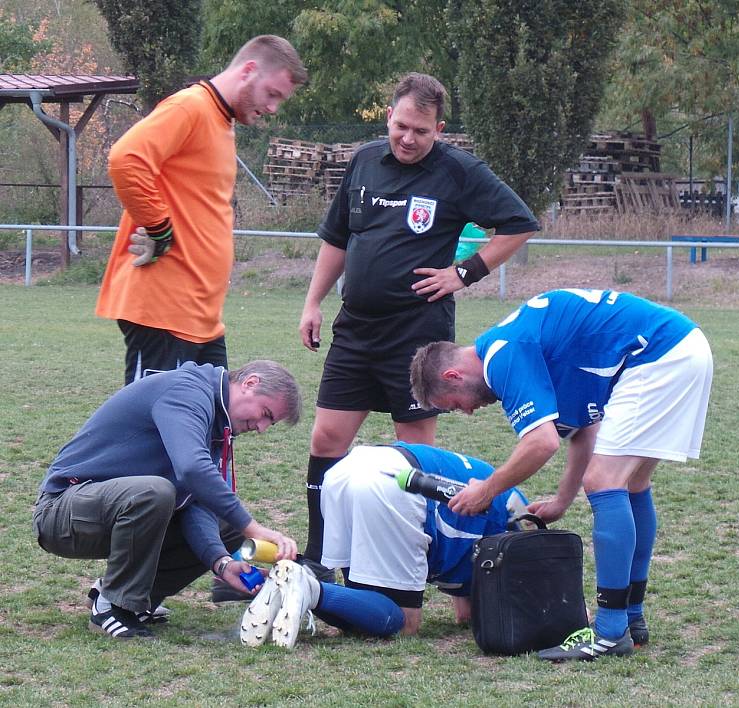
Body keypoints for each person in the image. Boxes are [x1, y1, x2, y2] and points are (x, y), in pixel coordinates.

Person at [297, 72, 540, 571]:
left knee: (412, 454)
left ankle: (406, 561)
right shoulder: (364, 160)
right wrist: (313, 301)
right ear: (389, 115)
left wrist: (463, 273)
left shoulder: (459, 172)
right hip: (355, 329)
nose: (408, 138)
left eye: (421, 131)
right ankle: (321, 556)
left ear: (439, 129)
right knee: (326, 441)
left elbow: (520, 223)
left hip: (416, 337)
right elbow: (337, 238)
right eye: (402, 126)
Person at [409, 288, 714, 661]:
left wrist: (487, 490)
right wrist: (562, 500)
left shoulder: (502, 355)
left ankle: (609, 631)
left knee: (604, 481)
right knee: (633, 483)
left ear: (453, 375)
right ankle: (631, 619)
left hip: (657, 355)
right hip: (678, 347)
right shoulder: (519, 346)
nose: (468, 412)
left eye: (455, 405)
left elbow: (542, 443)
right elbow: (584, 431)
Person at [32, 360, 302, 639]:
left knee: (224, 520)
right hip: (62, 510)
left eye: (271, 422)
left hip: (110, 510)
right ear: (250, 383)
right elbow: (192, 468)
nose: (261, 428)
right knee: (154, 492)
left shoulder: (219, 423)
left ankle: (134, 597)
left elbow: (198, 502)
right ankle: (113, 606)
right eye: (266, 414)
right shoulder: (187, 391)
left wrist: (222, 563)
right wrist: (253, 528)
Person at [96, 35, 307, 385]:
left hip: (202, 319)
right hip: (165, 311)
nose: (273, 108)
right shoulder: (191, 106)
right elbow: (126, 158)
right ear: (249, 70)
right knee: (151, 433)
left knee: (211, 428)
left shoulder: (221, 120)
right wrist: (158, 228)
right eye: (272, 94)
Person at [239, 443, 529, 649]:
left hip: (349, 469)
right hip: (398, 486)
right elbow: (469, 615)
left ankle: (288, 584)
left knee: (363, 612)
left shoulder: (504, 502)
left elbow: (464, 609)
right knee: (403, 623)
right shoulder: (510, 529)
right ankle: (308, 588)